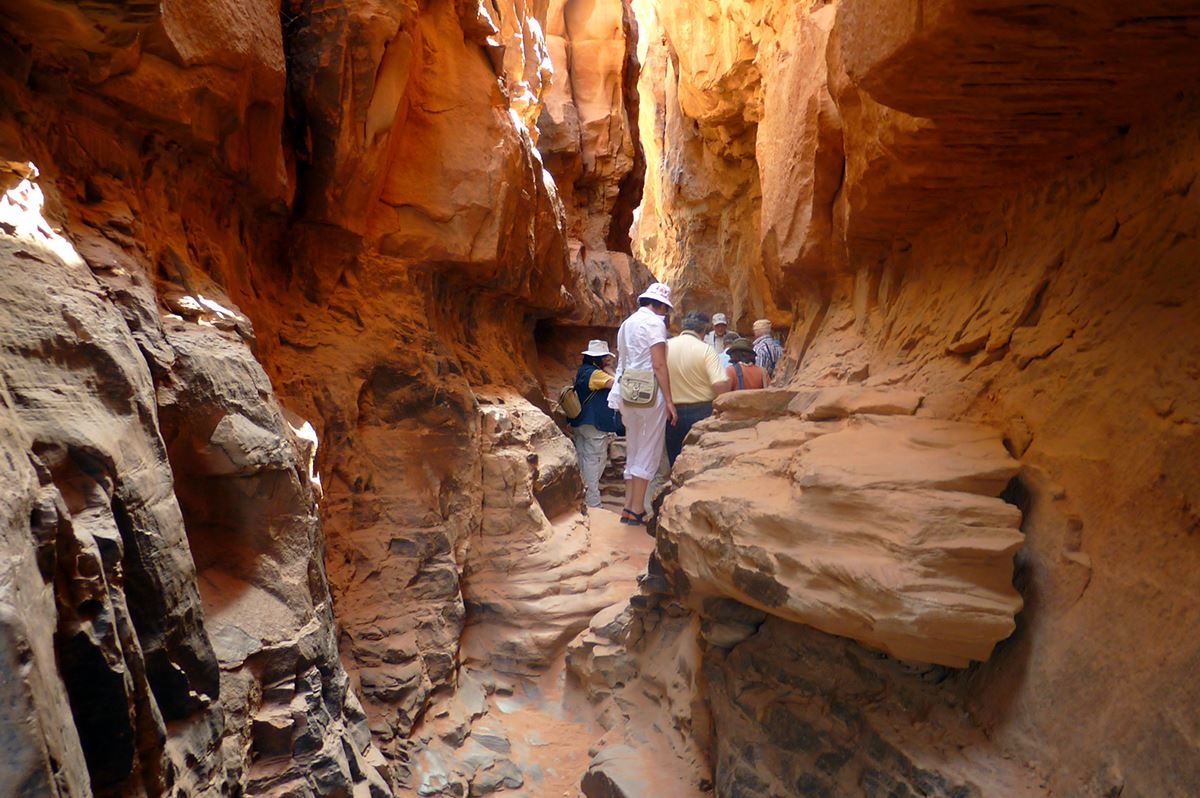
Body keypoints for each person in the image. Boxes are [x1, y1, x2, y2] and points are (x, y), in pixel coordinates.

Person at [610, 282, 676, 526]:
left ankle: (628, 507)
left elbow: (622, 361)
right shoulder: (655, 324)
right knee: (648, 449)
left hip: (627, 391)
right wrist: (669, 400)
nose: (665, 314)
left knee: (634, 447)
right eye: (665, 309)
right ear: (660, 306)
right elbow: (658, 364)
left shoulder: (627, 324)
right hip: (649, 392)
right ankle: (637, 509)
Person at [664, 310, 730, 466]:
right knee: (702, 461)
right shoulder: (706, 349)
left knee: (675, 461)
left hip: (672, 413)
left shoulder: (666, 347)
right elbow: (719, 383)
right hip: (703, 411)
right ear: (704, 329)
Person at [568, 340, 622, 508]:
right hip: (594, 426)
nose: (607, 360)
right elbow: (618, 385)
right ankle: (593, 503)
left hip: (581, 422)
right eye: (604, 357)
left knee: (583, 459)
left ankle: (582, 497)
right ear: (598, 358)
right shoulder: (596, 374)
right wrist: (609, 370)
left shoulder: (583, 371)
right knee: (595, 462)